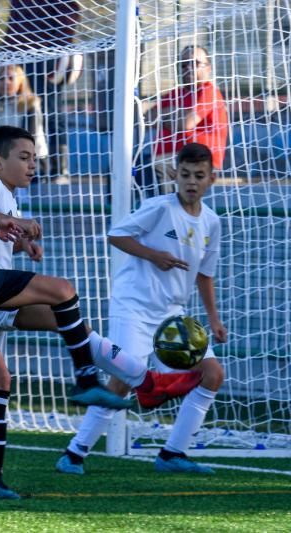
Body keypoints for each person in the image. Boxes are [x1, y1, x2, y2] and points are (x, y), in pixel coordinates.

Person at [0, 125, 202, 487]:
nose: (33, 166)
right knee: (61, 303)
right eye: (24, 158)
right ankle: (131, 381)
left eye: (35, 159)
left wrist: (13, 238)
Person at [56, 142, 226, 475]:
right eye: (186, 175)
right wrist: (154, 255)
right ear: (175, 174)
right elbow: (117, 235)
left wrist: (214, 320)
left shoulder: (212, 222)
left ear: (211, 179)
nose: (192, 182)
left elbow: (205, 275)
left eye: (199, 176)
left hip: (172, 315)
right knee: (123, 378)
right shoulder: (159, 208)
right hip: (133, 306)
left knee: (213, 374)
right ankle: (74, 454)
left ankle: (172, 453)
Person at [5, 0, 82, 182]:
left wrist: (58, 52)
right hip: (20, 56)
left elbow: (72, 10)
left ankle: (58, 169)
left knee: (50, 112)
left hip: (45, 58)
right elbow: (15, 19)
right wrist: (6, 50)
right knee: (27, 116)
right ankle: (33, 168)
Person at [147, 46, 228, 194]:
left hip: (195, 160)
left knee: (158, 167)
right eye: (184, 65)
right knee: (124, 166)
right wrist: (176, 115)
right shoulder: (175, 93)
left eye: (195, 63)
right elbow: (148, 118)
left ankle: (167, 212)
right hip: (168, 158)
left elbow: (186, 123)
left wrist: (167, 115)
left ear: (208, 68)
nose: (188, 68)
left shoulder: (209, 91)